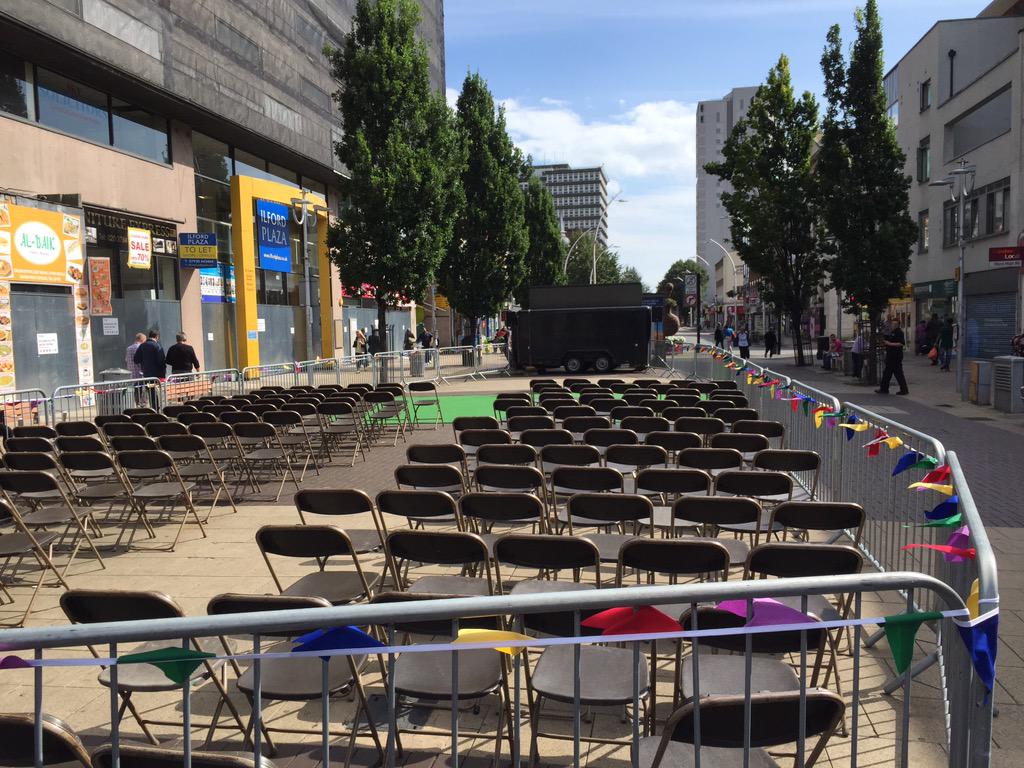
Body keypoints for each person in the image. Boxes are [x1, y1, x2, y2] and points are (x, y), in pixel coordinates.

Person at [876, 318, 909, 395]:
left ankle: (904, 389)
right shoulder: (892, 332)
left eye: (895, 324)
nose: (893, 325)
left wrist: (889, 344)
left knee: (898, 373)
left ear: (898, 325)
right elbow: (887, 339)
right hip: (890, 355)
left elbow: (901, 343)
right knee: (887, 372)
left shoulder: (899, 332)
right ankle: (884, 388)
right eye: (893, 324)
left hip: (896, 356)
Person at [133, 330, 166, 408]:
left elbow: (136, 360)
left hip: (147, 374)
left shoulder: (142, 346)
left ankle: (154, 408)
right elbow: (161, 361)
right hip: (156, 375)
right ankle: (157, 408)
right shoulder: (157, 346)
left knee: (151, 391)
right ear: (157, 337)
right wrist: (163, 374)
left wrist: (144, 362)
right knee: (156, 391)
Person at [125, 332, 146, 406]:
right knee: (142, 390)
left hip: (131, 373)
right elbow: (141, 360)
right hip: (140, 373)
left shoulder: (128, 348)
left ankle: (137, 404)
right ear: (142, 339)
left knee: (136, 390)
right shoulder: (140, 347)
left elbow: (127, 360)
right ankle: (142, 405)